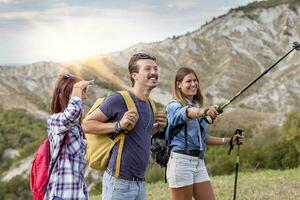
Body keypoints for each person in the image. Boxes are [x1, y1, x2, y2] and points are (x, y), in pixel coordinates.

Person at [82, 52, 167, 200]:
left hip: (140, 183)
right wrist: (118, 125)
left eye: (155, 68)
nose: (154, 72)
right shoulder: (118, 99)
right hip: (119, 183)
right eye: (147, 69)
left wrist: (158, 128)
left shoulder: (151, 104)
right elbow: (86, 125)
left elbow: (140, 133)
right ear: (135, 75)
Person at [165, 67, 243, 200]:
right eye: (188, 81)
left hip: (198, 161)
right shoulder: (173, 105)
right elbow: (186, 113)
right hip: (181, 162)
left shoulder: (195, 105)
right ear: (179, 84)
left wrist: (229, 140)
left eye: (195, 80)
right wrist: (204, 111)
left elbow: (204, 138)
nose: (194, 84)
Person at [44, 73, 94, 200]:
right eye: (81, 92)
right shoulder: (55, 121)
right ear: (62, 96)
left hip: (76, 194)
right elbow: (73, 113)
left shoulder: (76, 127)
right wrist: (78, 88)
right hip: (61, 195)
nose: (85, 97)